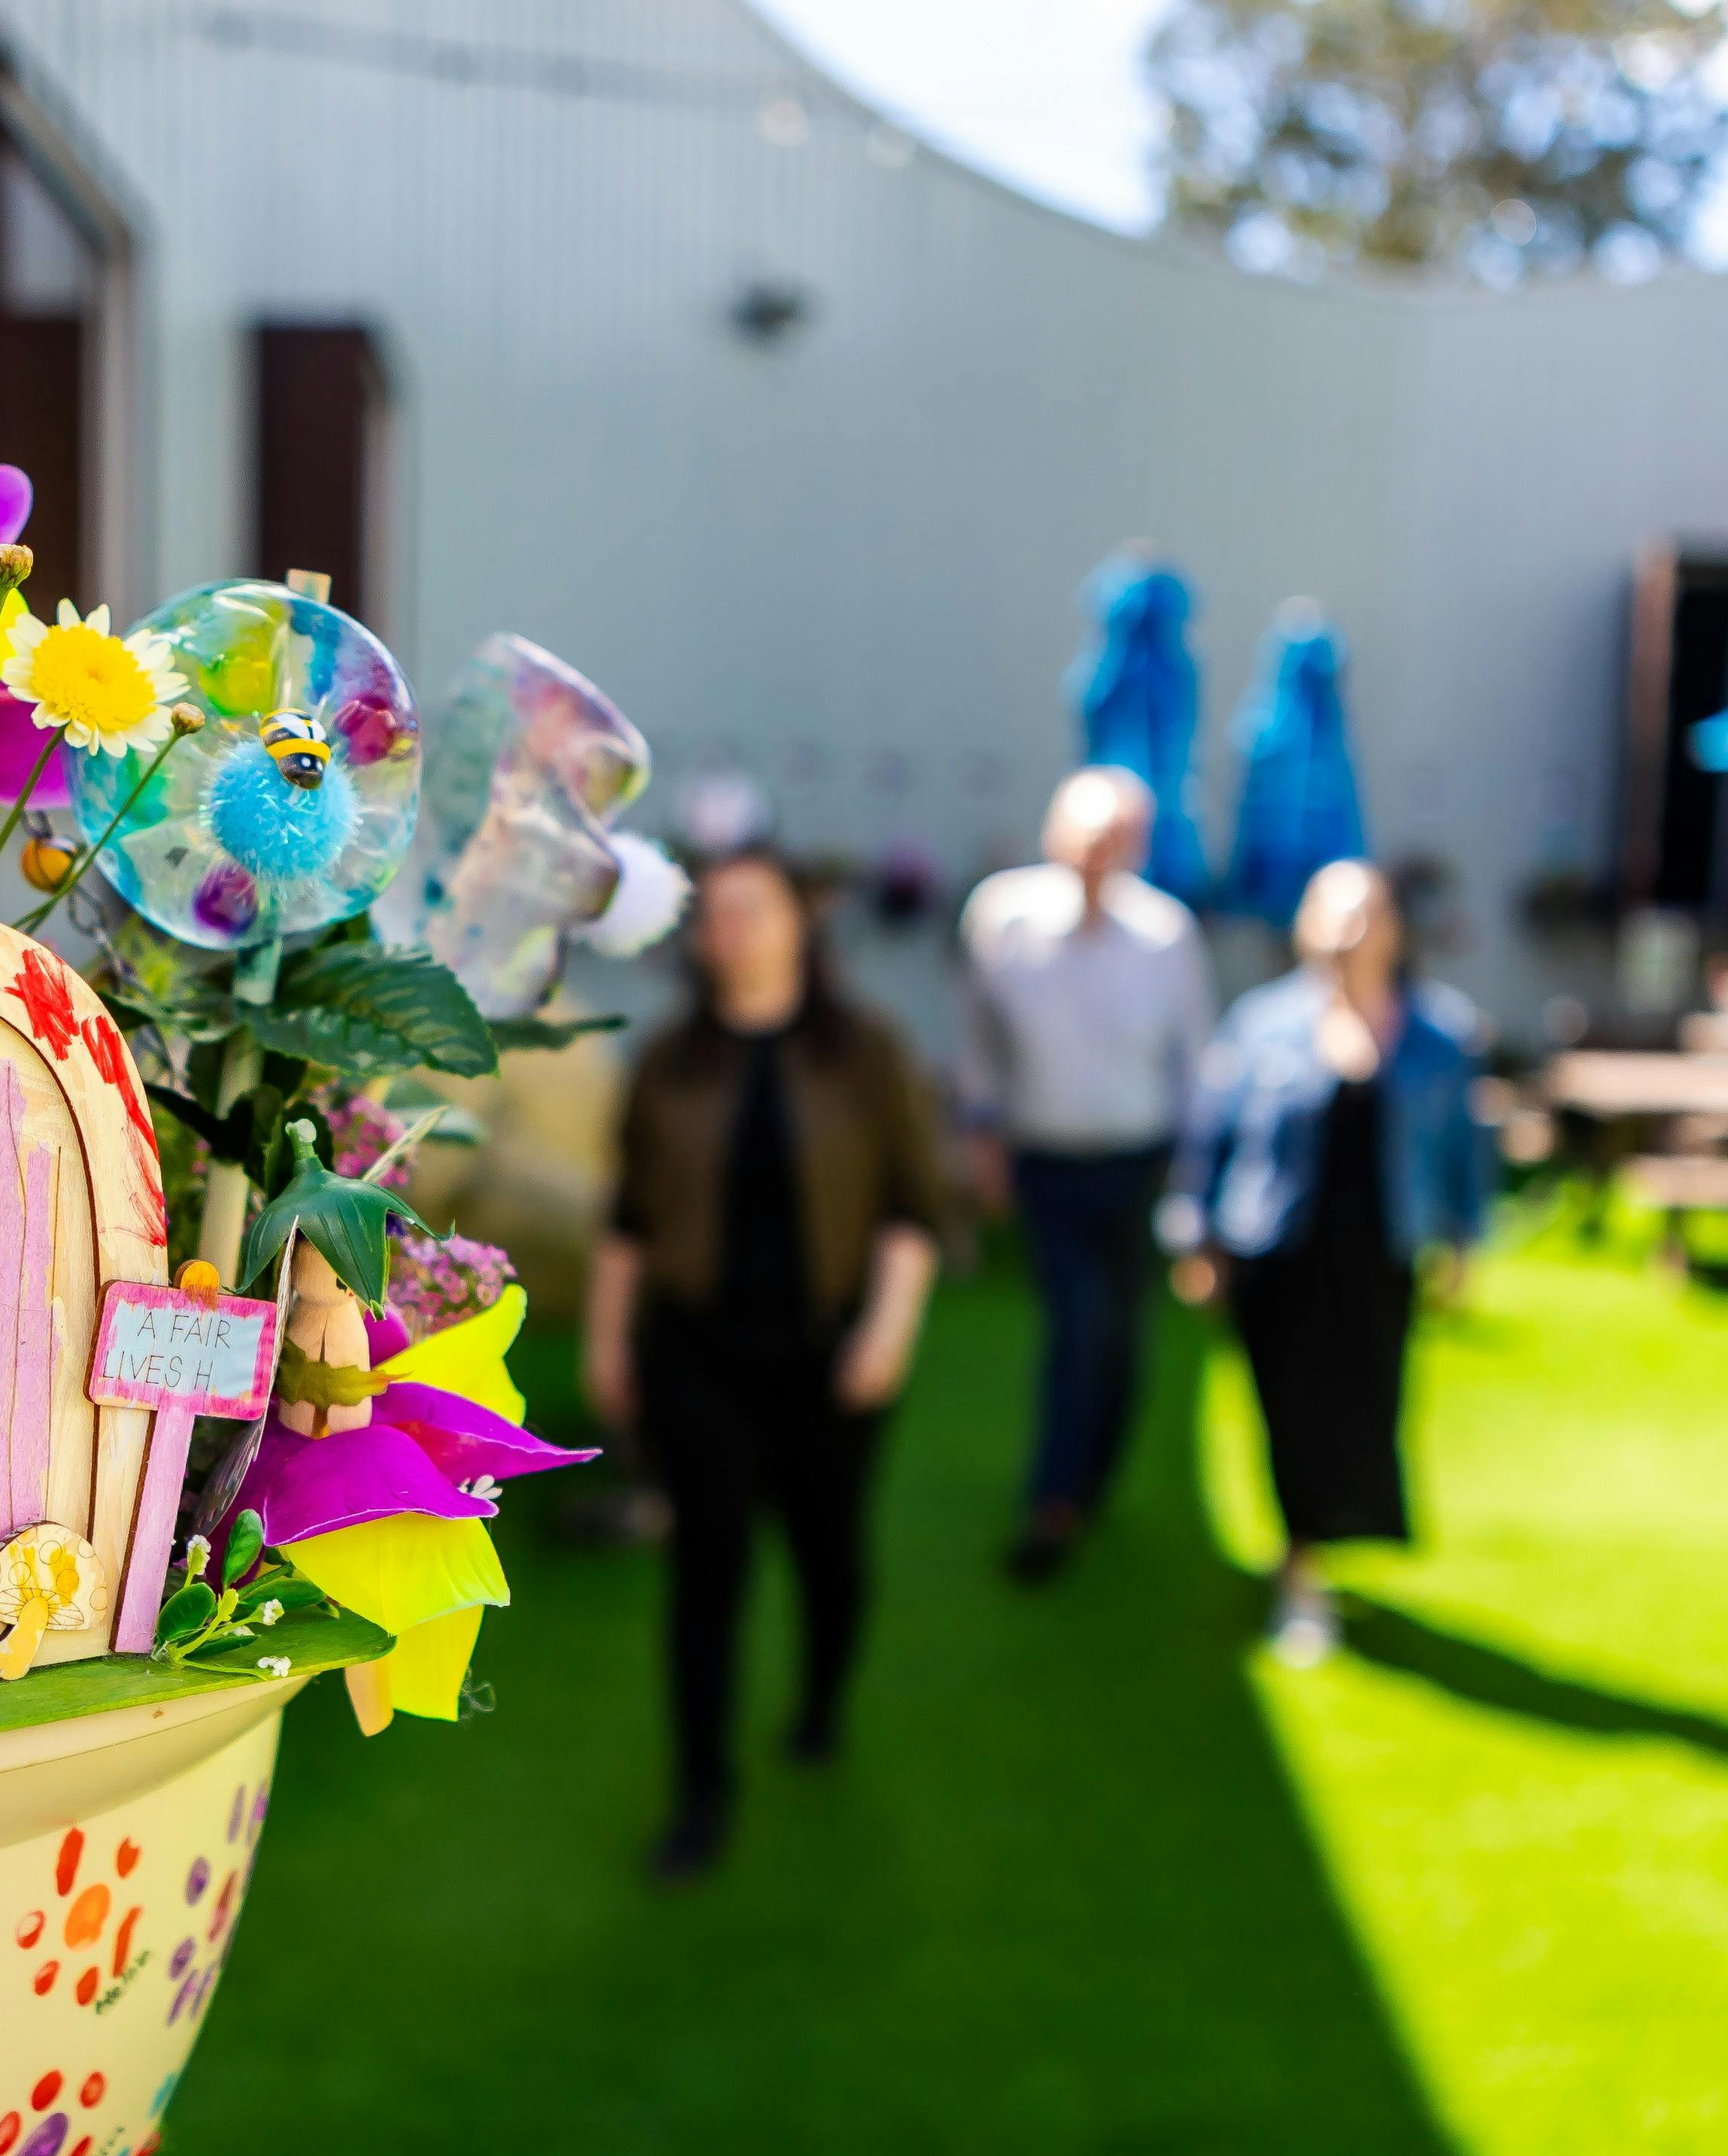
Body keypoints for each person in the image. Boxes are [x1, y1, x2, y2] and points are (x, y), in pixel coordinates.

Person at [586, 849, 949, 1881]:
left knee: (830, 1558)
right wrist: (613, 1341)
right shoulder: (670, 1060)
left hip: (831, 1355)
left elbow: (912, 1207)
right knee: (706, 1574)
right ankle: (700, 1793)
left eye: (755, 908)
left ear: (802, 922)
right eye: (717, 914)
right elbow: (628, 1220)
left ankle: (822, 1701)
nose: (732, 929)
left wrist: (889, 1332)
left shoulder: (864, 1051)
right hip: (699, 1355)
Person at [1161, 859, 1486, 1666]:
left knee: (1366, 1403)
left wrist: (1465, 1242)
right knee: (1289, 1409)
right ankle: (1299, 1564)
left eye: (1366, 914)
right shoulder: (1262, 1024)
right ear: (1305, 926)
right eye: (1332, 914)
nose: (1349, 932)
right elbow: (1211, 1134)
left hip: (1380, 1250)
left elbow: (1464, 1151)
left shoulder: (1438, 1034)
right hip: (1278, 1247)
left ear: (1395, 929)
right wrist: (1195, 1235)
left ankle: (1338, 1532)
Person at [957, 769, 1214, 1582]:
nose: (1099, 856)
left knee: (1124, 1343)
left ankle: (1089, 1480)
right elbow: (979, 1041)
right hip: (1048, 1161)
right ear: (1054, 835)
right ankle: (1055, 1502)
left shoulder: (1166, 934)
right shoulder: (1004, 917)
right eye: (1086, 838)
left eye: (1116, 841)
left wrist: (1194, 1187)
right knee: (1078, 1328)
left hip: (1137, 1162)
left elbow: (1194, 1061)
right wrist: (983, 1139)